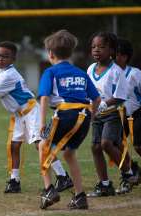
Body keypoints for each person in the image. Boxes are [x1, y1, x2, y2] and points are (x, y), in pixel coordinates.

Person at [0, 41, 72, 193]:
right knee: (13, 146)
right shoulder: (3, 74)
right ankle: (14, 181)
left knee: (40, 145)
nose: (0, 59)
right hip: (19, 114)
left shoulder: (9, 75)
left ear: (13, 59)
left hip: (31, 112)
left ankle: (63, 177)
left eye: (5, 56)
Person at [38, 30, 100, 210]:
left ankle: (49, 189)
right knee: (69, 153)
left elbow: (44, 98)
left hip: (65, 114)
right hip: (84, 116)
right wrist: (92, 117)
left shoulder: (51, 71)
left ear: (50, 54)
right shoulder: (80, 73)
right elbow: (96, 99)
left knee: (43, 145)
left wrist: (42, 123)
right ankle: (80, 196)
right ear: (70, 52)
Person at [86, 32, 140, 197]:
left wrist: (104, 103)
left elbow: (120, 96)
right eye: (94, 46)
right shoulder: (90, 69)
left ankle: (129, 173)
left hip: (113, 114)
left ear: (112, 51)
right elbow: (88, 90)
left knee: (106, 143)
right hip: (97, 115)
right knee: (95, 147)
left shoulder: (116, 71)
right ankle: (104, 185)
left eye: (102, 47)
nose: (97, 50)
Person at [116, 38, 141, 177]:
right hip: (120, 114)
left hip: (137, 113)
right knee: (115, 143)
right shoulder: (112, 73)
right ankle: (133, 169)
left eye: (116, 54)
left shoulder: (135, 73)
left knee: (139, 146)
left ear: (124, 56)